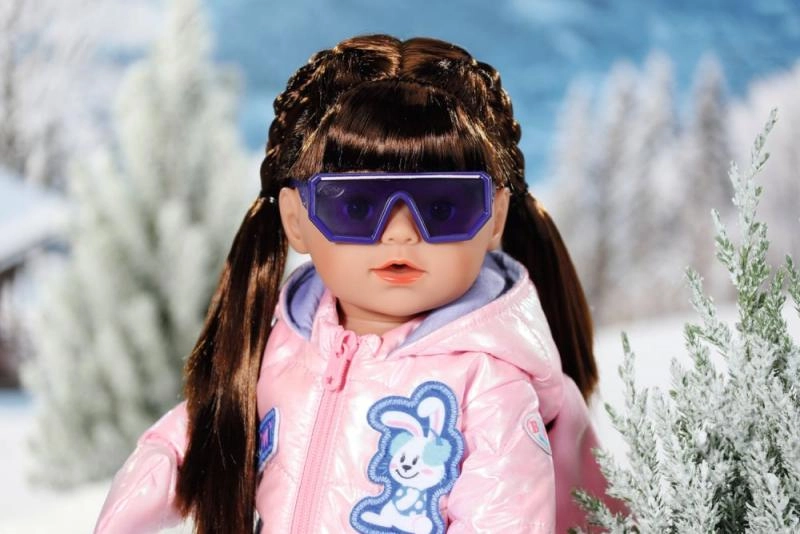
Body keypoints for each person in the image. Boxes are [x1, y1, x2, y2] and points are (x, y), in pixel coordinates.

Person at [95, 34, 618, 534]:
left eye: (443, 207)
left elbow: (505, 518)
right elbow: (189, 443)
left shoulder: (488, 384)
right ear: (297, 220)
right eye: (357, 207)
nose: (401, 233)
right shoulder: (280, 347)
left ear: (494, 216)